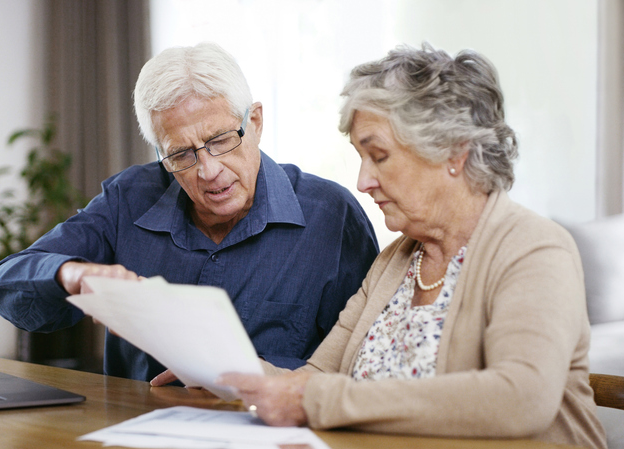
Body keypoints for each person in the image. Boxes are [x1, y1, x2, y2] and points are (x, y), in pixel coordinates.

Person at [217, 44, 607, 449]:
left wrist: (321, 399)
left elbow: (521, 398)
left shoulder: (534, 248)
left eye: (379, 156)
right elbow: (313, 379)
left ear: (454, 151)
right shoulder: (396, 260)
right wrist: (215, 367)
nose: (363, 181)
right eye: (361, 158)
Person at [0, 42, 380, 383]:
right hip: (136, 427)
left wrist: (257, 375)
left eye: (220, 140)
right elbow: (4, 285)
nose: (208, 171)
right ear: (161, 153)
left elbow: (362, 366)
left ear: (255, 122)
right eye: (180, 154)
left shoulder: (332, 216)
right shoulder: (130, 197)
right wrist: (71, 273)